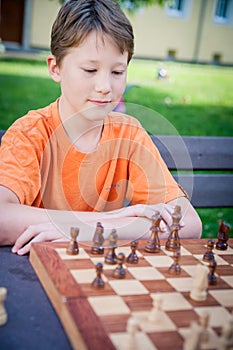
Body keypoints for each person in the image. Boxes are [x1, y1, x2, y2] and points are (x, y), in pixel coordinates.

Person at [0, 0, 202, 255]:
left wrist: (94, 231)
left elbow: (189, 224)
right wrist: (114, 220)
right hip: (36, 276)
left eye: (117, 72)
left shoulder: (129, 133)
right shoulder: (30, 134)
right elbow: (2, 218)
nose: (105, 86)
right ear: (56, 68)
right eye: (90, 69)